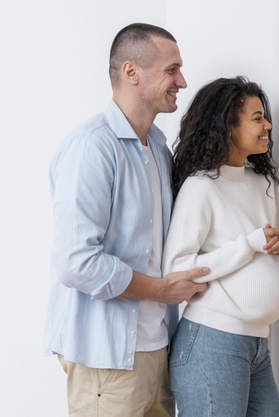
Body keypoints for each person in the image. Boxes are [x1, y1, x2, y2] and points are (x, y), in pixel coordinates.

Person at [44, 23, 210, 417]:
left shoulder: (157, 147)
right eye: (172, 70)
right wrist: (160, 290)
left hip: (157, 347)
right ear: (131, 72)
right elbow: (76, 263)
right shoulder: (92, 149)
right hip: (105, 357)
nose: (182, 81)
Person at [162, 76, 279, 417]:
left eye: (265, 116)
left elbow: (262, 261)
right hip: (212, 341)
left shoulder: (262, 183)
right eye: (257, 118)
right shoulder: (200, 186)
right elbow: (178, 269)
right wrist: (252, 243)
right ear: (227, 125)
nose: (268, 125)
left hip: (257, 344)